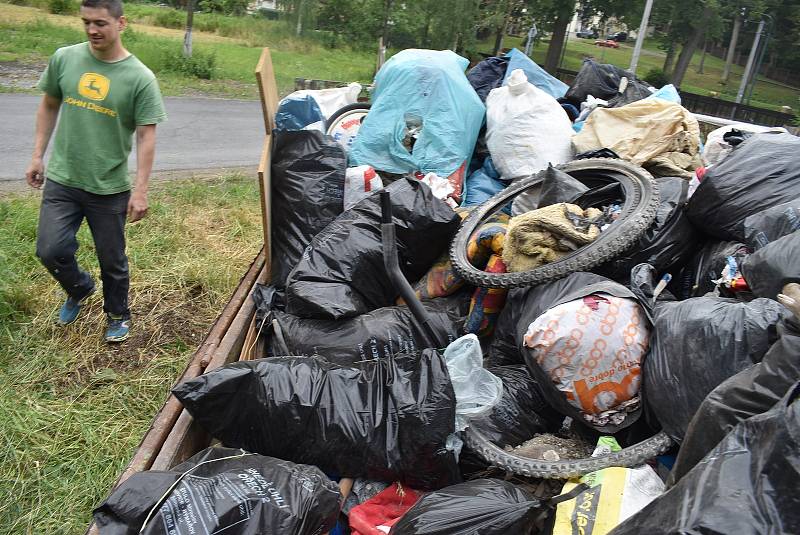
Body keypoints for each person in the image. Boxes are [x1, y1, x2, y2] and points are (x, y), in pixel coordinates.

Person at [25, 0, 166, 343]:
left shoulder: (140, 78)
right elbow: (49, 104)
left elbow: (147, 135)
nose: (92, 30)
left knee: (112, 259)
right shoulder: (65, 58)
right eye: (86, 22)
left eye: (100, 23)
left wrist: (141, 189)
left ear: (121, 23)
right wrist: (37, 155)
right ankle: (79, 288)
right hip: (63, 178)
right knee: (49, 250)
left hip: (109, 187)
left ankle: (118, 314)